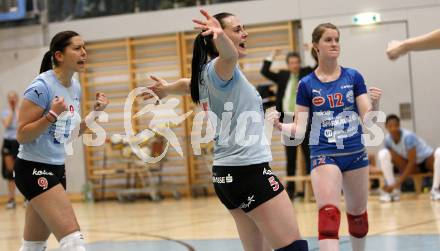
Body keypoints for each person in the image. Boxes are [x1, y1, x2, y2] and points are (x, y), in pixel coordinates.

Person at [144, 9, 308, 251]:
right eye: (238, 29)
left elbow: (185, 84)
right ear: (217, 39)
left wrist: (167, 89)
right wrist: (221, 35)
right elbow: (229, 54)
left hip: (226, 175)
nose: (245, 33)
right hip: (249, 172)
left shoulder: (205, 74)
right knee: (294, 247)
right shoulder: (221, 68)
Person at [269, 23, 382, 251]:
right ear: (316, 46)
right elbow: (300, 130)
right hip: (324, 154)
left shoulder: (353, 76)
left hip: (355, 153)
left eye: (336, 39)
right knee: (328, 215)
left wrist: (376, 104)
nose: (334, 44)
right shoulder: (307, 84)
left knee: (358, 215)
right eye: (328, 40)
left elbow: (368, 121)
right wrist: (280, 126)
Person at [14, 30, 108, 251]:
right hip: (33, 169)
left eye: (84, 47)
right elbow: (22, 134)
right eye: (77, 48)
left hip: (56, 169)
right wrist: (51, 115)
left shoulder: (74, 86)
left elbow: (70, 134)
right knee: (73, 242)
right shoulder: (41, 87)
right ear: (59, 55)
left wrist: (95, 113)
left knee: (33, 247)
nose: (84, 52)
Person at [260, 49, 313, 199]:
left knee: (308, 154)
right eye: (292, 63)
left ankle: (311, 189)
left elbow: (316, 65)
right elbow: (264, 71)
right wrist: (272, 55)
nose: (295, 65)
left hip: (303, 117)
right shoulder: (283, 75)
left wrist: (310, 50)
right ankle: (291, 190)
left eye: (297, 62)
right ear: (288, 64)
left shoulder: (306, 74)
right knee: (290, 156)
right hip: (287, 118)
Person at [377, 114, 440, 202]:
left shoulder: (408, 137)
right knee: (383, 153)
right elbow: (390, 160)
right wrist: (389, 183)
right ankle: (393, 192)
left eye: (396, 125)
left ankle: (435, 190)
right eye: (390, 126)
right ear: (386, 127)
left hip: (426, 161)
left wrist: (398, 183)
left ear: (399, 126)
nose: (393, 128)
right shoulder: (387, 140)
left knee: (439, 153)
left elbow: (412, 162)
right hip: (411, 165)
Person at [1, 91, 20, 209]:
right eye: (10, 98)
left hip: (18, 141)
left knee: (21, 170)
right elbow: (7, 124)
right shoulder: (5, 112)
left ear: (17, 99)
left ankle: (26, 198)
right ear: (8, 100)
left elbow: (20, 123)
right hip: (8, 142)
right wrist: (12, 111)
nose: (12, 100)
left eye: (14, 98)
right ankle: (11, 199)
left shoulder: (21, 112)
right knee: (9, 172)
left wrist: (16, 111)